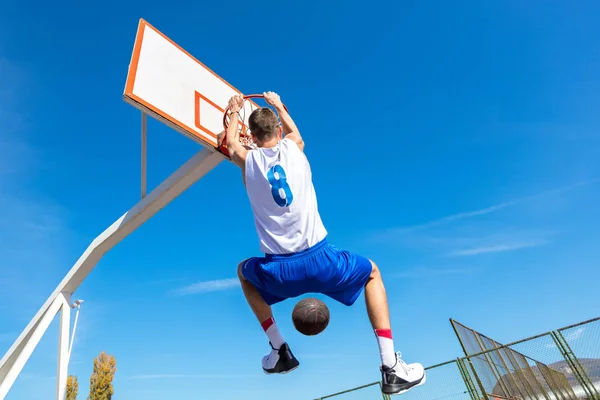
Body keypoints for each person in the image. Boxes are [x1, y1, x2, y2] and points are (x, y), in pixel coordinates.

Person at [223, 92, 426, 395]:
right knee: (372, 273)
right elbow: (294, 133)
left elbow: (231, 145)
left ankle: (279, 349)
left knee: (243, 272)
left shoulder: (246, 160)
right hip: (322, 261)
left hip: (278, 271)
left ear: (251, 136)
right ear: (278, 131)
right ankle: (390, 367)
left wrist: (233, 112)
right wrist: (278, 105)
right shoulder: (295, 148)